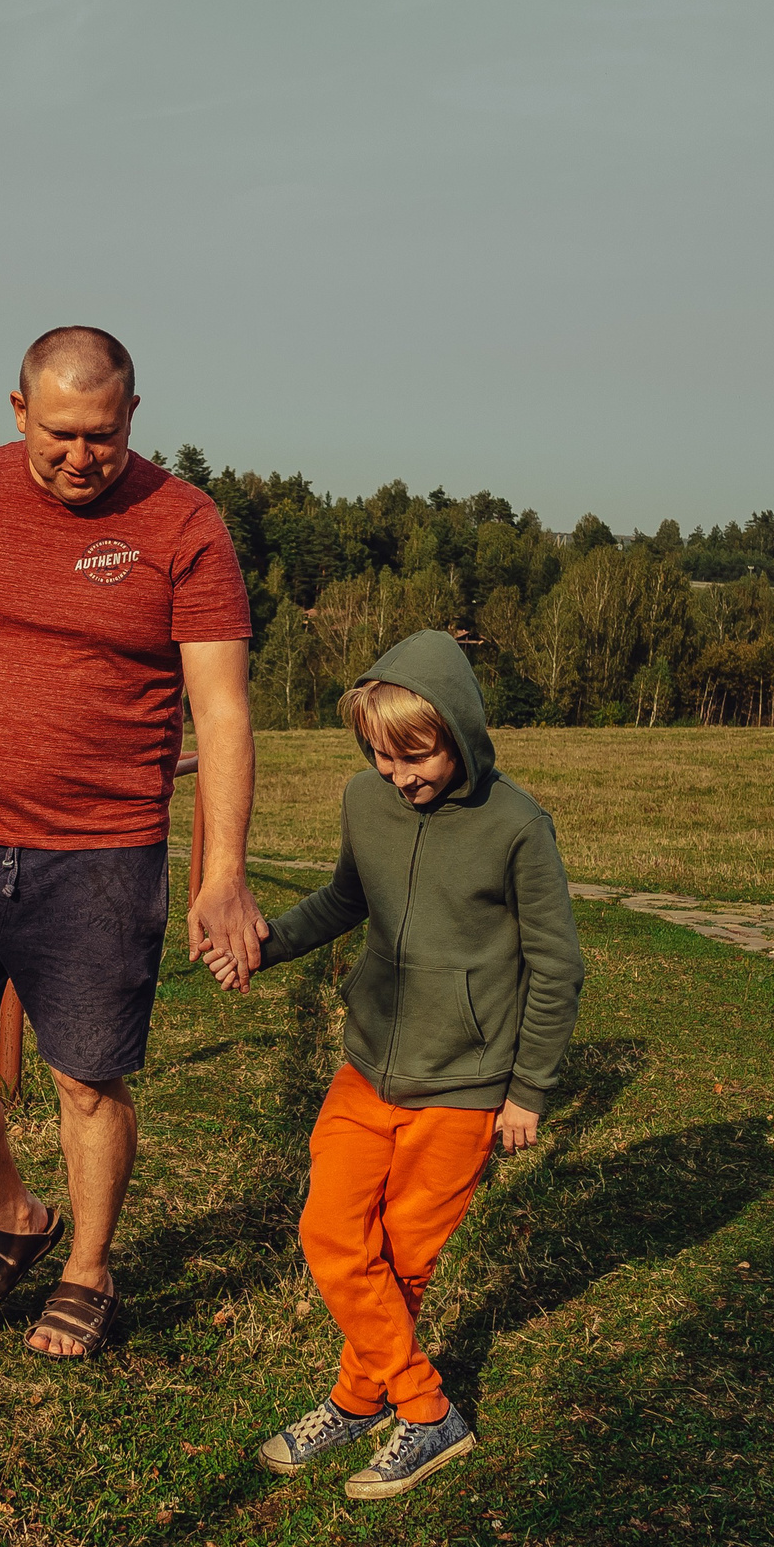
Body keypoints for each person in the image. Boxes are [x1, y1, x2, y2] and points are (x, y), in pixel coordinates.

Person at [0, 326, 262, 1360]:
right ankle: (16, 1214)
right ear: (19, 410)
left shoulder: (184, 522)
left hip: (105, 851)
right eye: (60, 434)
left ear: (133, 417)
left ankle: (87, 1266)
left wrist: (222, 873)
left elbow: (220, 710)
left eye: (103, 435)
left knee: (86, 1077)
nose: (82, 456)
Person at [212, 630, 583, 1499]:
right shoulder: (365, 800)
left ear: (460, 733)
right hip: (368, 1063)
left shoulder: (518, 827)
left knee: (403, 1261)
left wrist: (528, 1091)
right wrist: (265, 945)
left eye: (415, 756)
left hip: (464, 1087)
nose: (397, 775)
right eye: (381, 755)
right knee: (330, 1231)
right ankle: (426, 1410)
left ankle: (357, 1398)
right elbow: (346, 899)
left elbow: (557, 965)